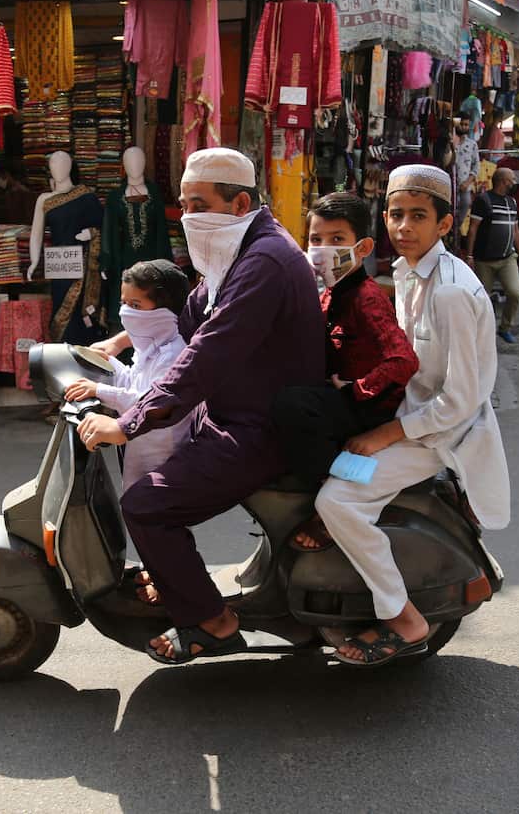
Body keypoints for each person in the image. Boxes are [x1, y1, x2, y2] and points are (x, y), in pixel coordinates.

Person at [76, 147, 325, 664]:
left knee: (146, 505)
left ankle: (212, 623)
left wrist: (130, 423)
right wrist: (119, 344)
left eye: (198, 203)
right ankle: (174, 577)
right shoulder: (232, 252)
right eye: (184, 204)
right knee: (153, 490)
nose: (188, 216)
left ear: (238, 204)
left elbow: (208, 354)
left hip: (261, 429)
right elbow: (188, 323)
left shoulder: (266, 262)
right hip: (229, 415)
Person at [314, 164, 510, 665]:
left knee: (339, 502)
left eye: (418, 216)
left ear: (444, 225)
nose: (404, 227)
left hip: (438, 435)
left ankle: (404, 619)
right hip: (408, 416)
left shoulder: (449, 291)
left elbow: (460, 400)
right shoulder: (405, 272)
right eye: (397, 215)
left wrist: (385, 435)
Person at [271, 191, 419, 551]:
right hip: (346, 399)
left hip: (368, 408)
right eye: (316, 239)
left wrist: (356, 390)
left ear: (363, 247)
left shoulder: (366, 297)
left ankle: (332, 495)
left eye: (337, 240)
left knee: (291, 405)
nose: (323, 248)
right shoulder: (329, 292)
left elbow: (403, 361)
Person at [63, 259, 192, 490]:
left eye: (136, 305)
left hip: (162, 454)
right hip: (140, 446)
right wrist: (105, 363)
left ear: (164, 311)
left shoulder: (173, 354)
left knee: (147, 510)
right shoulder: (149, 349)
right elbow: (133, 380)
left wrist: (99, 390)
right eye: (124, 303)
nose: (126, 312)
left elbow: (146, 402)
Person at [467, 168, 519, 344]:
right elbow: (473, 228)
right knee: (481, 298)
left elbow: (515, 230)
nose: (514, 182)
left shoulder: (512, 202)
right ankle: (479, 333)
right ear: (503, 181)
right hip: (484, 260)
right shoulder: (484, 200)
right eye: (511, 179)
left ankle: (505, 328)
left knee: (515, 293)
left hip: (507, 258)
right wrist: (470, 256)